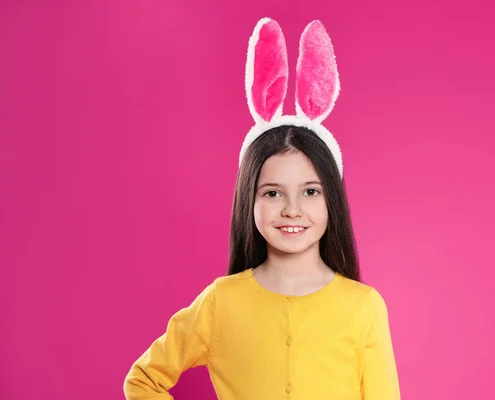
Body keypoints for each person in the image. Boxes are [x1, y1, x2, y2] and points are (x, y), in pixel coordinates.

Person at [123, 17, 401, 400]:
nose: (291, 209)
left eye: (310, 192)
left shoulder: (364, 307)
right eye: (272, 193)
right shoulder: (221, 303)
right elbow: (142, 380)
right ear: (248, 200)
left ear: (332, 200)